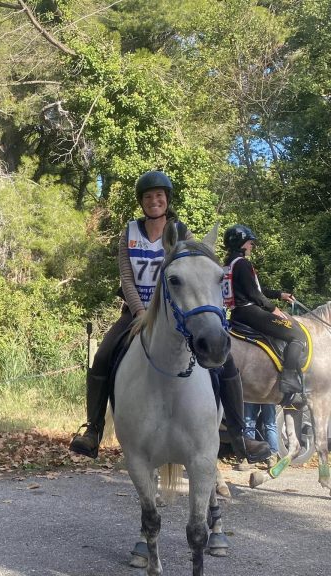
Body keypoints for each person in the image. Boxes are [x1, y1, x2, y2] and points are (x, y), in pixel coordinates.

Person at [69, 171, 271, 464]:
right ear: (142, 202)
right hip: (137, 311)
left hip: (177, 311)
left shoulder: (181, 232)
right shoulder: (129, 233)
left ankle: (239, 435)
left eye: (159, 196)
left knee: (225, 361)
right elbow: (126, 277)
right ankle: (93, 430)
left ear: (167, 200)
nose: (154, 201)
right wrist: (139, 311)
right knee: (102, 356)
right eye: (148, 197)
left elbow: (196, 268)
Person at [223, 224, 303, 394]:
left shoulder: (228, 264)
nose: (252, 246)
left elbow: (254, 289)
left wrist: (279, 294)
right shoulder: (243, 263)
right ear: (241, 243)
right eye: (250, 242)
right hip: (249, 312)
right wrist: (273, 309)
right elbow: (254, 294)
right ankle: (289, 378)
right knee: (297, 335)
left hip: (236, 312)